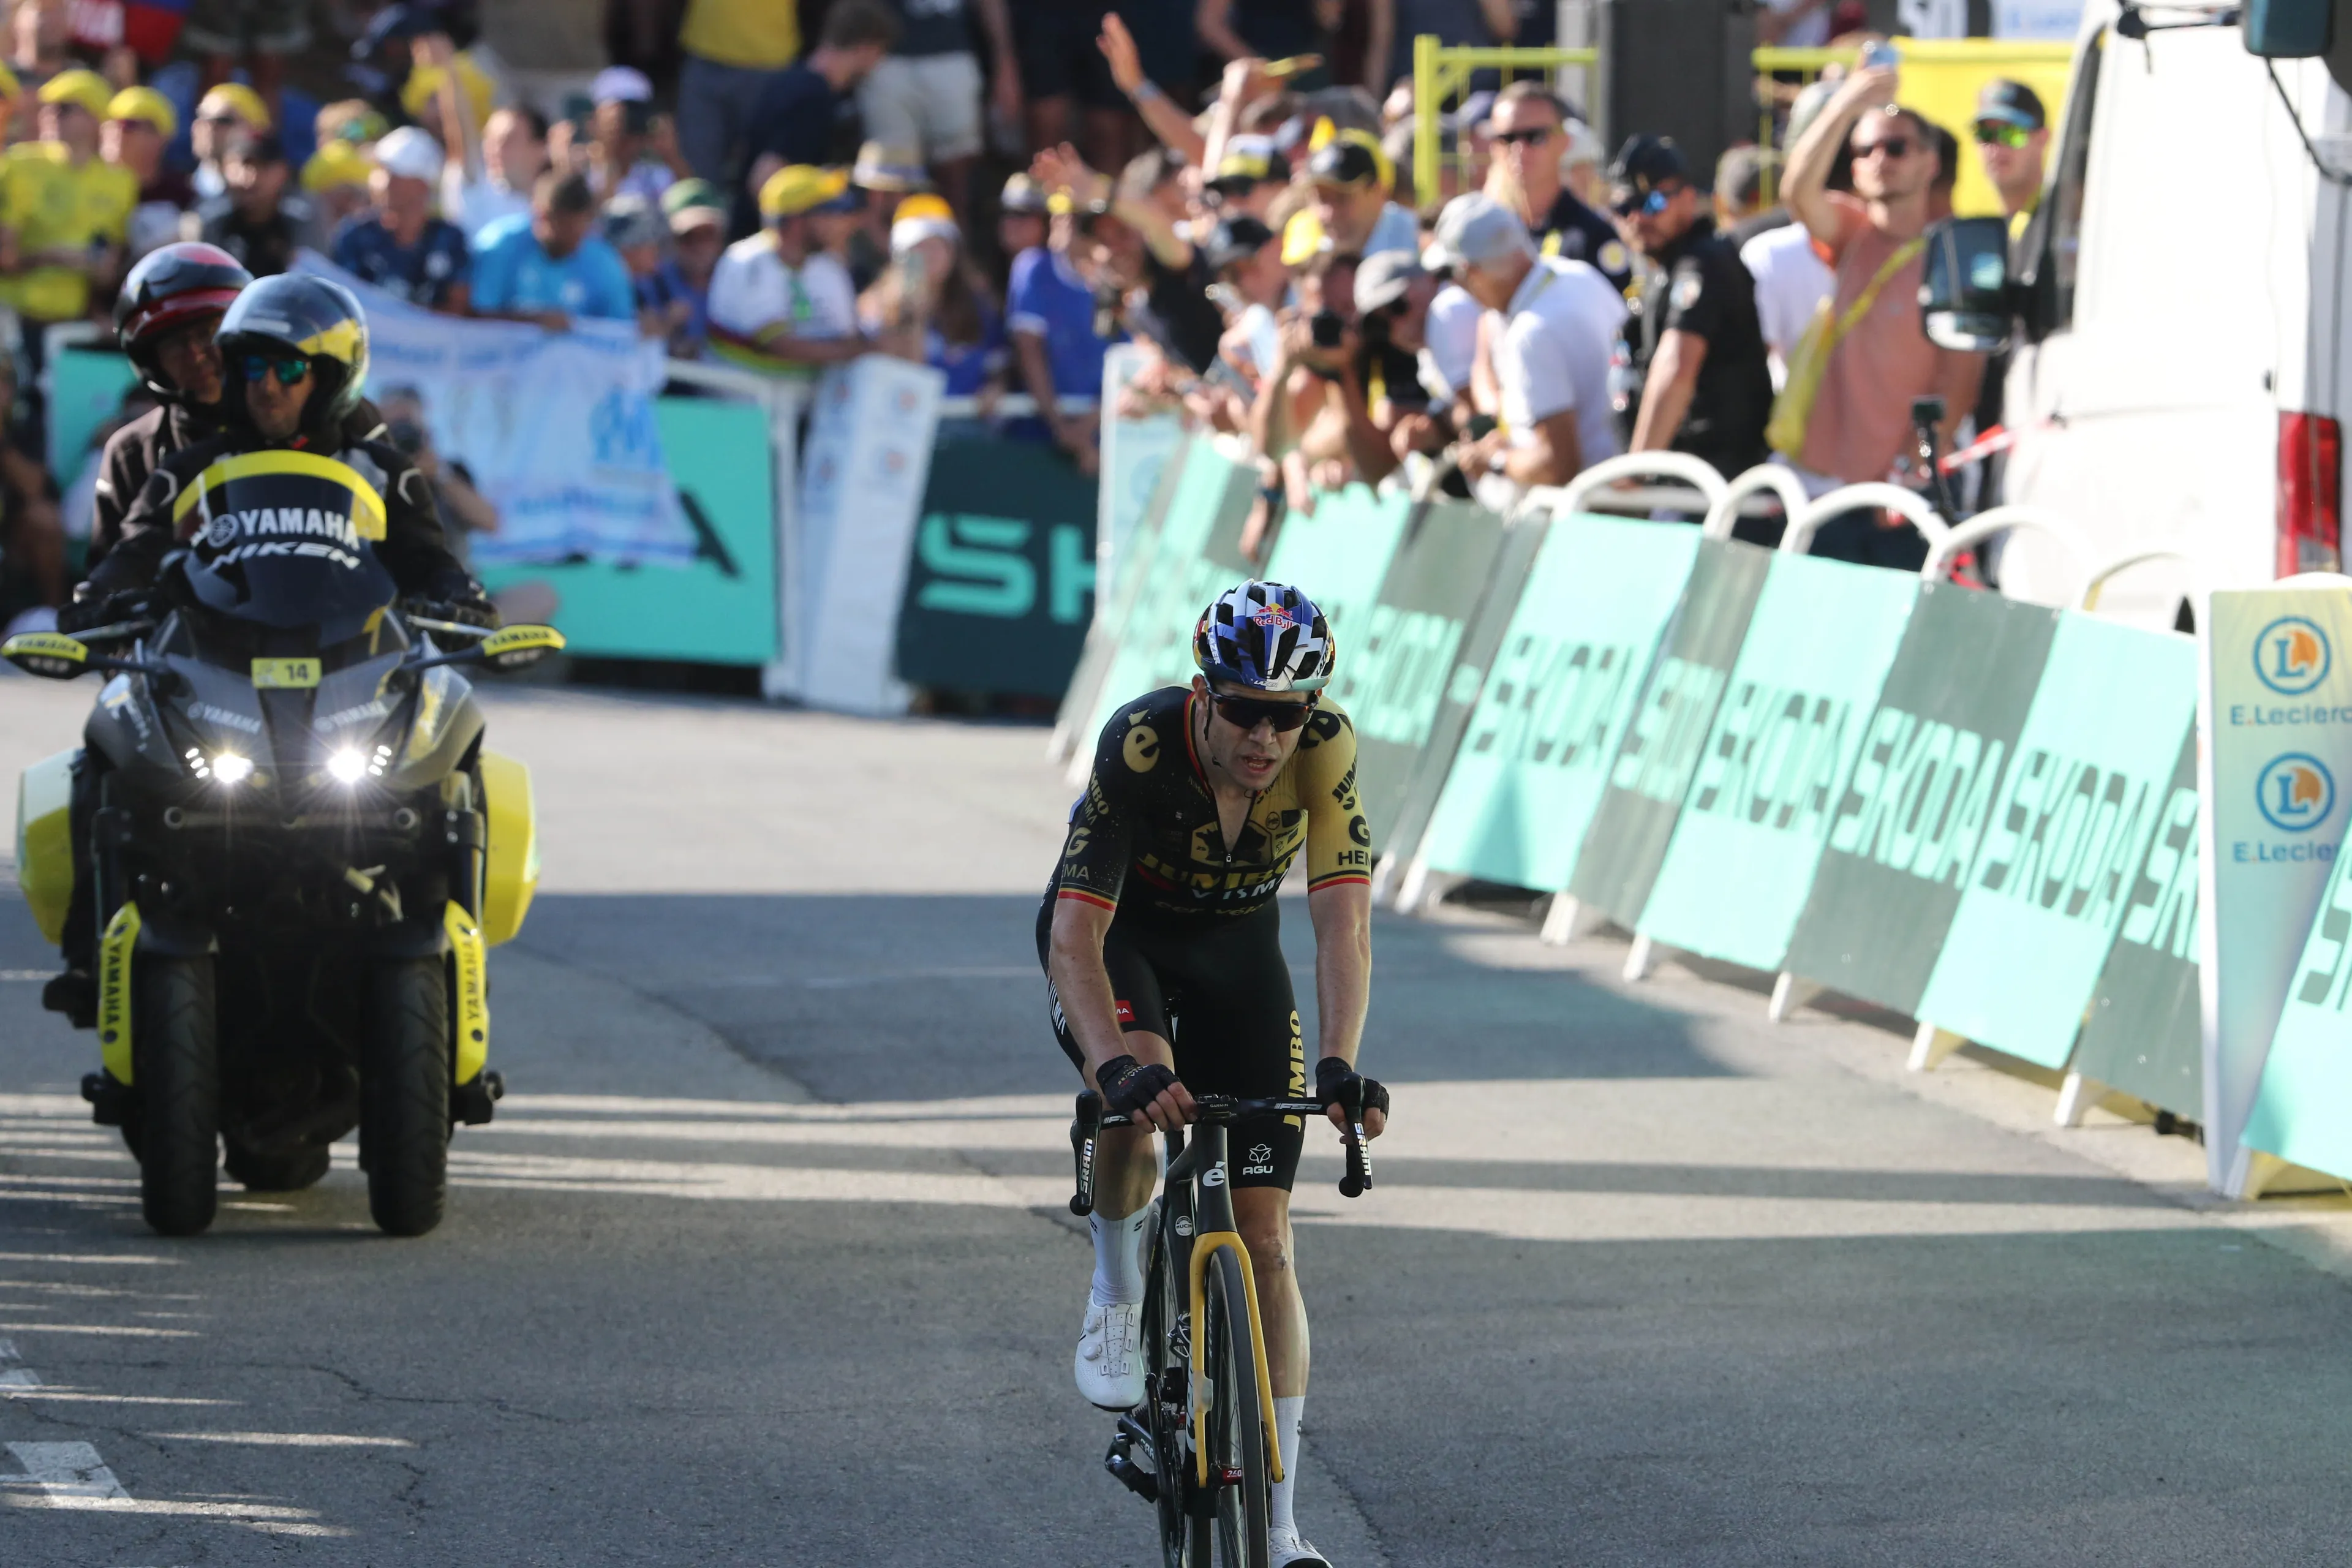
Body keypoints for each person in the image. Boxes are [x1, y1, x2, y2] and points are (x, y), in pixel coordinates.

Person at [1045, 579, 1383, 1568]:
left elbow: (1341, 920)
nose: (1268, 737)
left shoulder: (1326, 750)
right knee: (1144, 1101)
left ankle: (1279, 1531)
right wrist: (1111, 1068)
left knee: (1269, 1237)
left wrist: (1340, 1064)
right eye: (1245, 710)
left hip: (1241, 953)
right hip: (1126, 946)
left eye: (1290, 715)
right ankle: (1115, 1294)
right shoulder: (1142, 745)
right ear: (1203, 694)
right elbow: (1075, 935)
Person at [67, 273, 489, 628]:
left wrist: (460, 597)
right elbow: (137, 551)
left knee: (450, 714)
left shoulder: (385, 470)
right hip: (216, 673)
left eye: (289, 369)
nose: (267, 386)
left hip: (355, 677)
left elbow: (428, 558)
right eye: (253, 368)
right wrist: (97, 598)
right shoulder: (185, 470)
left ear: (329, 379)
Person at [1780, 63, 1984, 552]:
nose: (1879, 159)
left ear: (1931, 163)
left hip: (1910, 493)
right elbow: (1797, 192)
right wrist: (1846, 104)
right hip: (1833, 487)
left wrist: (1912, 467)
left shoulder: (1955, 253)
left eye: (1896, 147)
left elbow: (1961, 374)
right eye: (1865, 149)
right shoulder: (1852, 234)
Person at [1611, 135, 1773, 494]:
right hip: (1688, 477)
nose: (1637, 218)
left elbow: (1676, 368)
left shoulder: (1703, 263)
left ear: (1689, 198)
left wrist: (1636, 472)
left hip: (1713, 484)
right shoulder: (1663, 269)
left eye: (1652, 202)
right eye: (1624, 208)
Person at [1429, 192, 1625, 489]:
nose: (1455, 287)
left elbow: (1557, 467)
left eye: (1452, 274)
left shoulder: (1531, 333)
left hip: (1597, 515)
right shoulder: (1578, 275)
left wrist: (1494, 461)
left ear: (1473, 272)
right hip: (1627, 500)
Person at [738, 2, 899, 233]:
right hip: (772, 247)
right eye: (880, 53)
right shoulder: (813, 98)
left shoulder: (791, 79)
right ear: (867, 47)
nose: (878, 65)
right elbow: (763, 181)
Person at [861, 0, 1020, 230]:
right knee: (890, 180)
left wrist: (1005, 62)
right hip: (885, 57)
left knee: (956, 180)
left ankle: (955, 259)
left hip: (951, 56)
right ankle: (897, 262)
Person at [0, 69, 135, 338]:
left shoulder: (122, 183)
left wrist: (97, 271)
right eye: (45, 107)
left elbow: (108, 272)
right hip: (10, 315)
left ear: (95, 117)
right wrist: (56, 257)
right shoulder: (17, 165)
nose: (48, 114)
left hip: (72, 325)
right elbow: (6, 257)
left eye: (63, 108)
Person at [707, 164, 867, 374]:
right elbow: (779, 345)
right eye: (830, 211)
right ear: (796, 221)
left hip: (813, 399)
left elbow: (848, 337)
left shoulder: (829, 267)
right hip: (742, 400)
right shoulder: (748, 261)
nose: (840, 222)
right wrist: (864, 352)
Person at [1482, 81, 1630, 293]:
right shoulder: (1488, 231)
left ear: (1564, 142)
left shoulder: (1592, 236)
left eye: (1535, 137)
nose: (1520, 149)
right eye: (1507, 138)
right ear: (1494, 147)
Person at [1006, 191, 1114, 469]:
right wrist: (1061, 428)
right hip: (1039, 438)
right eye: (1058, 216)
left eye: (1074, 218)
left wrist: (1089, 426)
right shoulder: (1033, 268)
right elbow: (1029, 354)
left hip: (1106, 434)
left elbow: (1130, 358)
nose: (1062, 223)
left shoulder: (1115, 277)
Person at [862, 195, 1005, 395]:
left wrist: (995, 386)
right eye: (918, 247)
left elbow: (997, 364)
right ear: (900, 255)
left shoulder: (978, 306)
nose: (930, 255)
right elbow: (902, 374)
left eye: (938, 245)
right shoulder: (877, 310)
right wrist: (913, 316)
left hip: (966, 422)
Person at [470, 172, 637, 330]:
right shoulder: (499, 247)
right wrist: (531, 321)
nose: (574, 243)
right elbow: (472, 318)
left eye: (581, 233)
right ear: (541, 216)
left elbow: (622, 326)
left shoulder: (605, 262)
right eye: (566, 231)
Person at [331, 126, 471, 313]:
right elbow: (341, 305)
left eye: (394, 174)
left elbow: (457, 310)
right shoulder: (353, 235)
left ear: (423, 185)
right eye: (380, 171)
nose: (382, 182)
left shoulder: (451, 239)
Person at [191, 129, 317, 278]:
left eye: (262, 166)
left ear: (283, 172)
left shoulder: (300, 223)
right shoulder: (210, 222)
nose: (251, 177)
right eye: (243, 165)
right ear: (224, 168)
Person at [441, 104, 551, 244]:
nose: (495, 149)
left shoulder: (560, 204)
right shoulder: (475, 187)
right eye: (489, 140)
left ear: (540, 148)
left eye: (508, 140)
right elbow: (460, 124)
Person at [102, 86, 187, 262]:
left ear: (160, 137)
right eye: (110, 124)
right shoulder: (88, 185)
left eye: (128, 125)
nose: (116, 133)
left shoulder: (181, 193)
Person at [583, 65, 688, 204]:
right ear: (593, 121)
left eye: (637, 113)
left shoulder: (654, 177)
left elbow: (693, 206)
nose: (628, 124)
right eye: (617, 116)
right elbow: (594, 220)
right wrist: (609, 157)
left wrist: (671, 153)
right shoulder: (579, 171)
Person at [1305, 130, 1417, 258]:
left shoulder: (1417, 244)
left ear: (1378, 191)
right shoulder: (1312, 251)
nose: (1330, 214)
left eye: (1342, 198)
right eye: (1322, 199)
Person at [653, 179, 727, 356]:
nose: (699, 246)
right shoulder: (652, 284)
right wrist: (665, 328)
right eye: (688, 237)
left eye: (708, 235)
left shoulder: (739, 279)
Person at [1973, 78, 2048, 224]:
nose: (1997, 146)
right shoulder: (1982, 227)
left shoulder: (2068, 219)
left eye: (2011, 133)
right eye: (1985, 134)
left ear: (2042, 139)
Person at [189, 81, 269, 202]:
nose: (209, 127)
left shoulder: (274, 202)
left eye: (224, 120)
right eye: (202, 118)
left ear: (255, 130)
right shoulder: (178, 194)